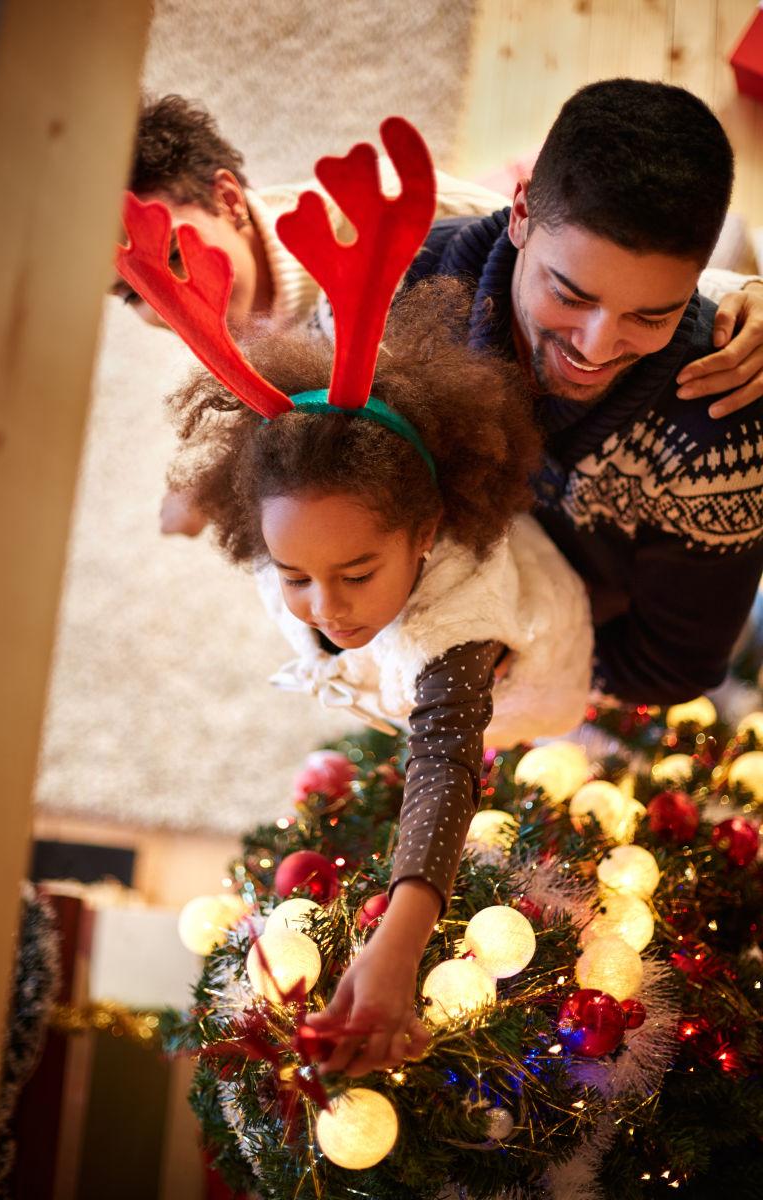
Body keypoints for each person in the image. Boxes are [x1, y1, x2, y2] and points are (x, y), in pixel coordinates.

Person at [166, 278, 593, 1079]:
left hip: (535, 676)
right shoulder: (297, 544)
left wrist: (399, 945)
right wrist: (192, 498)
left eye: (357, 573)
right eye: (295, 574)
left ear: (425, 532)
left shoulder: (455, 628)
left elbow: (443, 757)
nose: (325, 607)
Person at [113, 94, 763, 537]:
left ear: (229, 199)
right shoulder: (214, 320)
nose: (168, 297)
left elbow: (581, 268)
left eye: (173, 254)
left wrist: (741, 293)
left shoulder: (398, 233)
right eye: (132, 292)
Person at [404, 78, 763, 705]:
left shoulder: (723, 422)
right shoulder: (403, 295)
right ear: (519, 215)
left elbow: (672, 668)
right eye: (570, 295)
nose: (595, 350)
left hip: (592, 666)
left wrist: (526, 656)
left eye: (652, 316)